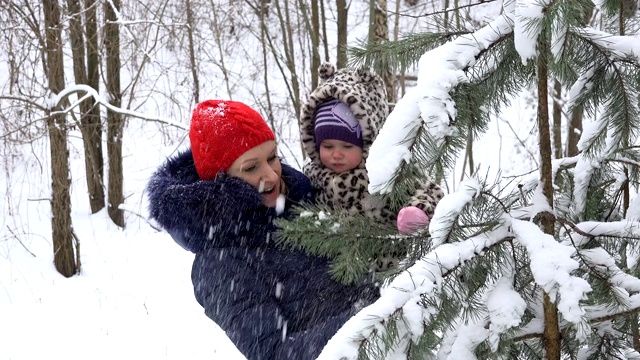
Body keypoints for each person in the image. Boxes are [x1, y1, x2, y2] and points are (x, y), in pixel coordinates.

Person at [146, 100, 378, 360]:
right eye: (251, 167)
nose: (271, 175)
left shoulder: (306, 198)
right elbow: (275, 354)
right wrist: (373, 317)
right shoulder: (218, 264)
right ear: (220, 181)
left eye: (272, 157)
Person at [299, 63, 444, 234]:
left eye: (347, 146)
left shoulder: (388, 172)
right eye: (327, 146)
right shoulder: (312, 179)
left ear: (368, 143)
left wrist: (418, 211)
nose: (336, 154)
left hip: (387, 256)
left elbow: (430, 192)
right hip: (337, 259)